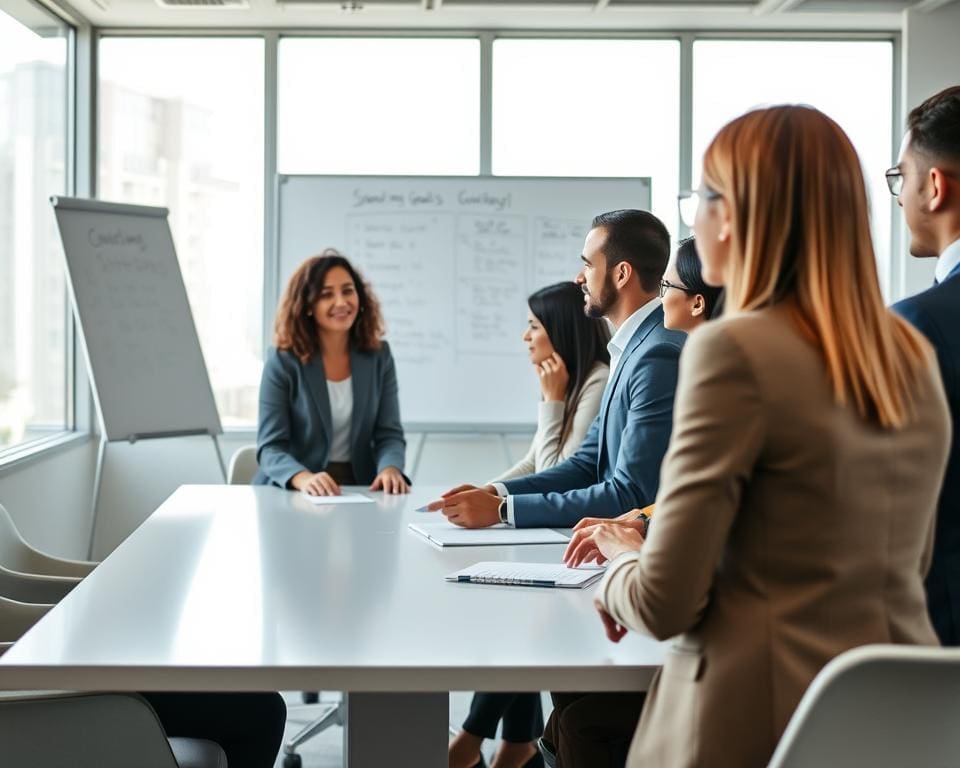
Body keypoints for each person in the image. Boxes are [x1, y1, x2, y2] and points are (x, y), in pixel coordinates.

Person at [567, 105, 951, 768]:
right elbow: (901, 565)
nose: (694, 218)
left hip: (752, 727)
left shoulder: (731, 351)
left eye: (703, 196)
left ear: (741, 214)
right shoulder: (909, 352)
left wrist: (620, 557)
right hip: (896, 733)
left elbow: (662, 604)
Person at [541, 237, 719, 768]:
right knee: (567, 692)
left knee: (579, 717)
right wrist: (639, 520)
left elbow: (661, 599)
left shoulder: (674, 363)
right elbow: (680, 500)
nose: (661, 297)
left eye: (669, 286)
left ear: (697, 303)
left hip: (736, 669)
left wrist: (623, 559)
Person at [426, 209, 686, 529]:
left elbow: (630, 493)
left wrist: (502, 510)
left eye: (588, 264)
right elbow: (586, 464)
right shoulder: (633, 347)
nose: (579, 277)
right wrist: (494, 492)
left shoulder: (655, 355)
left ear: (621, 274)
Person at [449, 281, 609, 768]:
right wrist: (485, 491)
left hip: (573, 539)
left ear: (559, 332)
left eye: (534, 326)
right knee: (514, 617)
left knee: (517, 622)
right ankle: (515, 743)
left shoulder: (595, 382)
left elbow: (554, 473)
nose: (525, 336)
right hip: (552, 536)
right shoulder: (578, 378)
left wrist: (552, 402)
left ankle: (473, 741)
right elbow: (530, 466)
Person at [890, 84, 960, 646]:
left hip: (937, 646)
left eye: (901, 178)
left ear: (933, 187)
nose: (898, 197)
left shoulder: (917, 325)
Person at [254, 249, 409, 495]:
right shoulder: (282, 362)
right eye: (327, 294)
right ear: (307, 305)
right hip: (295, 488)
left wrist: (390, 468)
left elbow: (388, 434)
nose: (341, 302)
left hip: (362, 485)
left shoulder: (379, 356)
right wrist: (303, 478)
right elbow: (270, 448)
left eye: (348, 290)